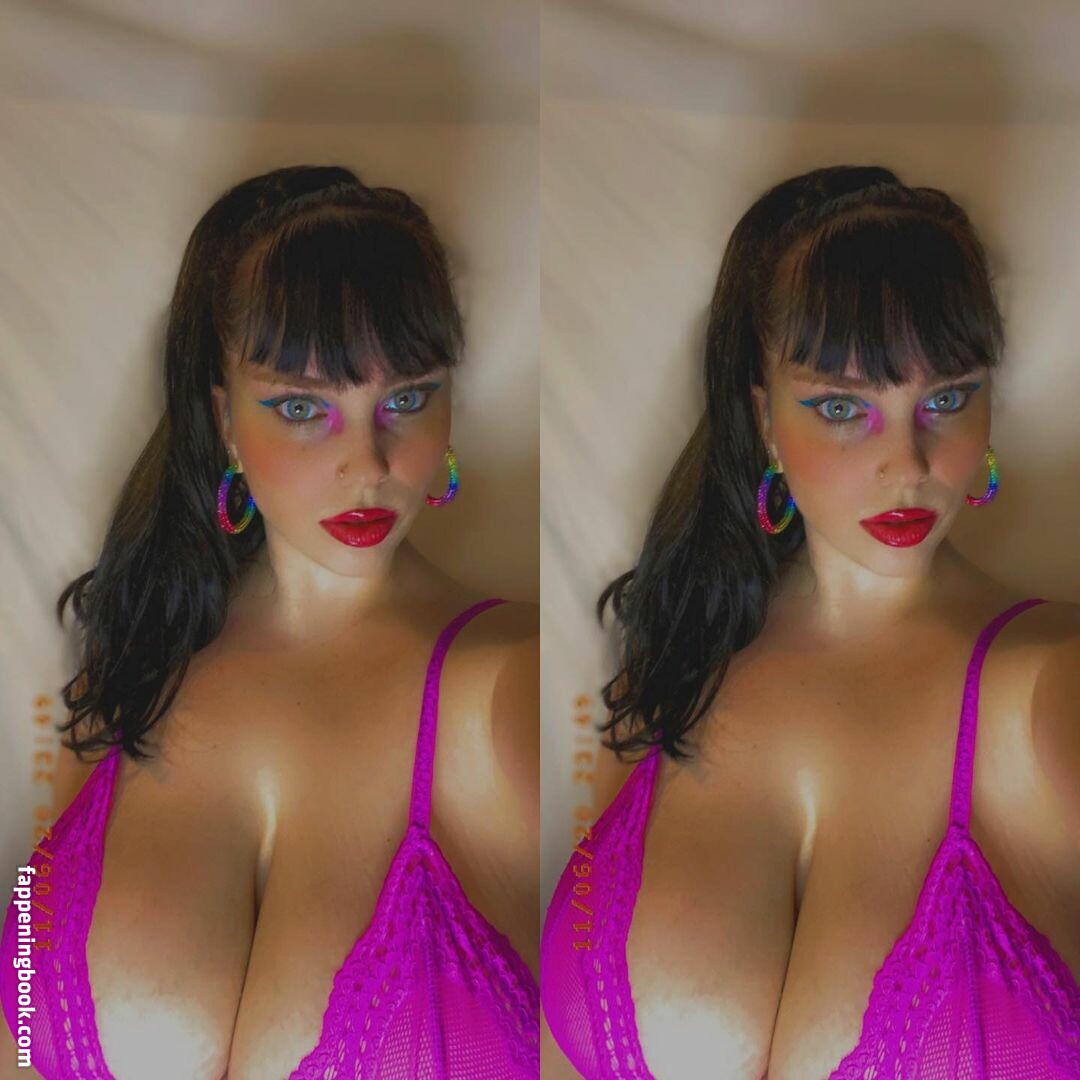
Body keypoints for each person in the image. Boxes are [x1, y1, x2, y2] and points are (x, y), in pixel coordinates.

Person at [0, 164, 540, 1079]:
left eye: (406, 399)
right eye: (301, 407)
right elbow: (19, 1008)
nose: (368, 464)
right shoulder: (122, 680)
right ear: (223, 418)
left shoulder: (514, 684)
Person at [540, 165, 1080, 1078]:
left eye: (946, 399)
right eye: (842, 408)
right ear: (764, 418)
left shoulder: (1054, 688)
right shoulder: (673, 667)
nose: (908, 464)